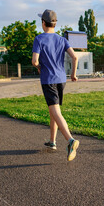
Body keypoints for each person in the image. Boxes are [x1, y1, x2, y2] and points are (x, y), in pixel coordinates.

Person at [32, 9, 80, 161]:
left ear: (43, 23)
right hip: (61, 79)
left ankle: (71, 141)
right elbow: (75, 57)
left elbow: (34, 61)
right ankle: (52, 141)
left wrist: (38, 65)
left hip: (49, 80)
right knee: (54, 110)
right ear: (54, 23)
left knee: (56, 112)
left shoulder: (39, 39)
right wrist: (73, 74)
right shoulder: (62, 39)